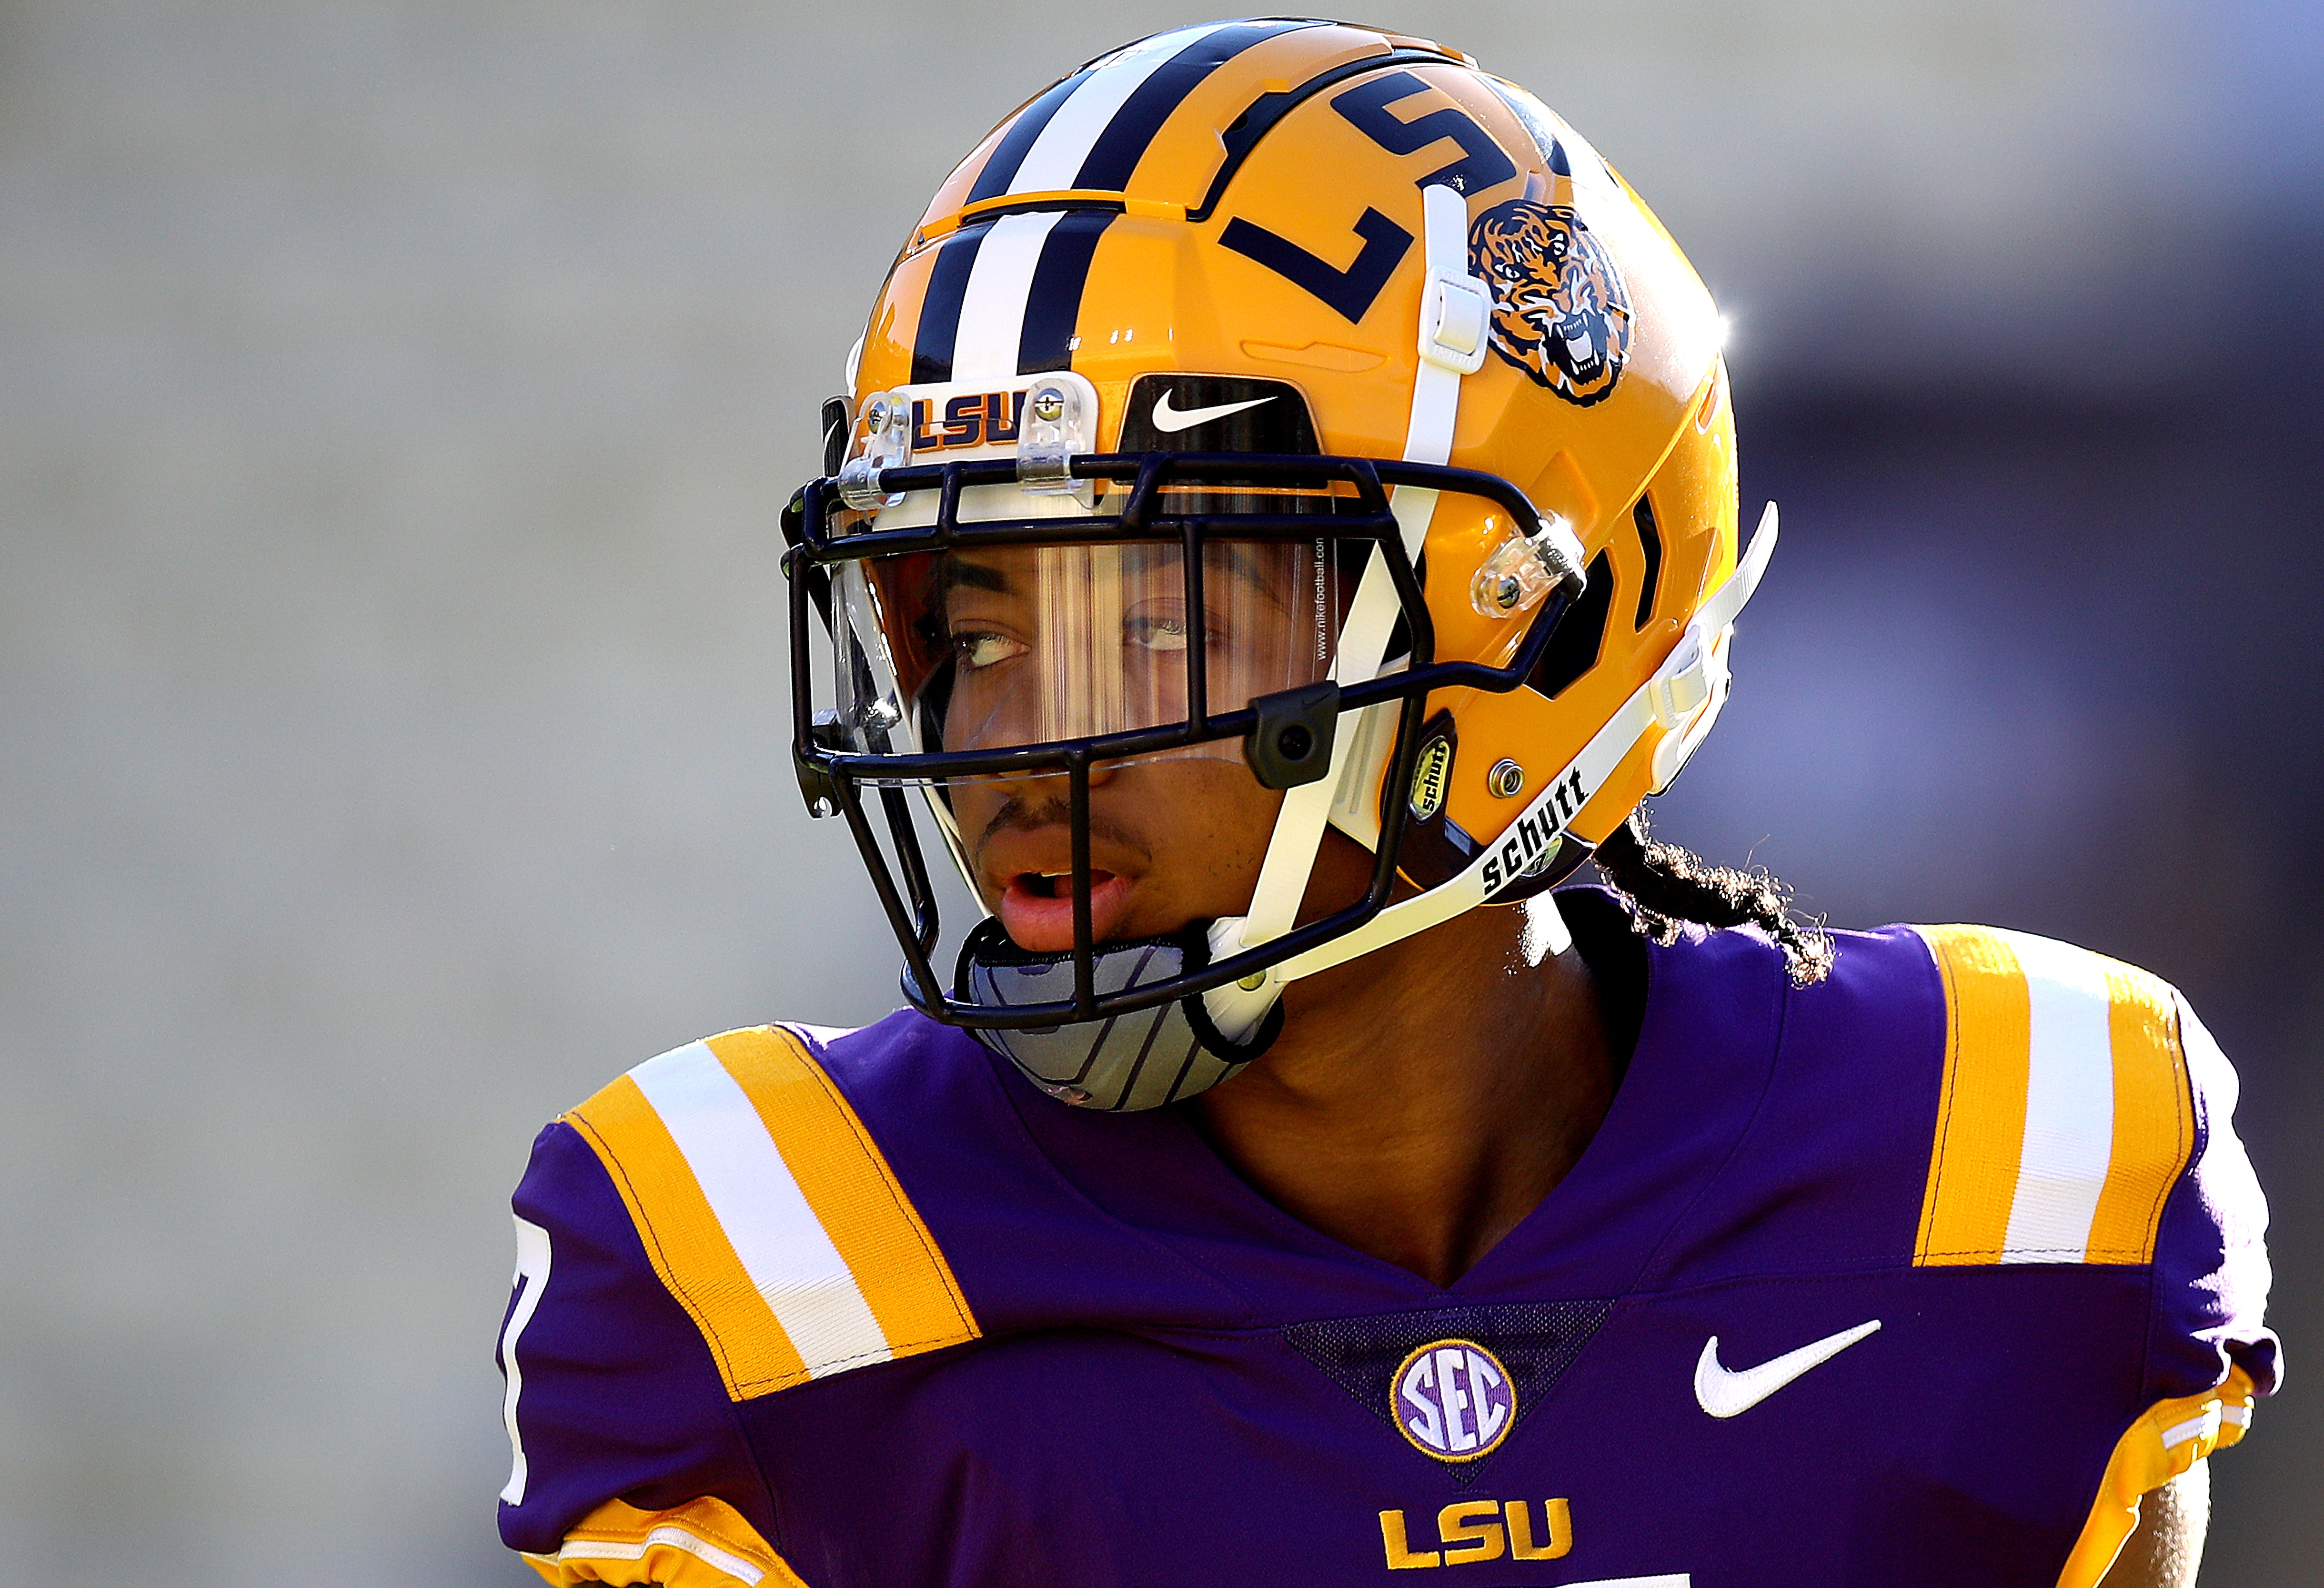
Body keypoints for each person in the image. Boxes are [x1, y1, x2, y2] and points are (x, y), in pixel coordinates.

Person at [493, 20, 2277, 1588]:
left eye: (1149, 627)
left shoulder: (2002, 1162)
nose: (1016, 750)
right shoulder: (773, 1268)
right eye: (972, 630)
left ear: (1527, 626)